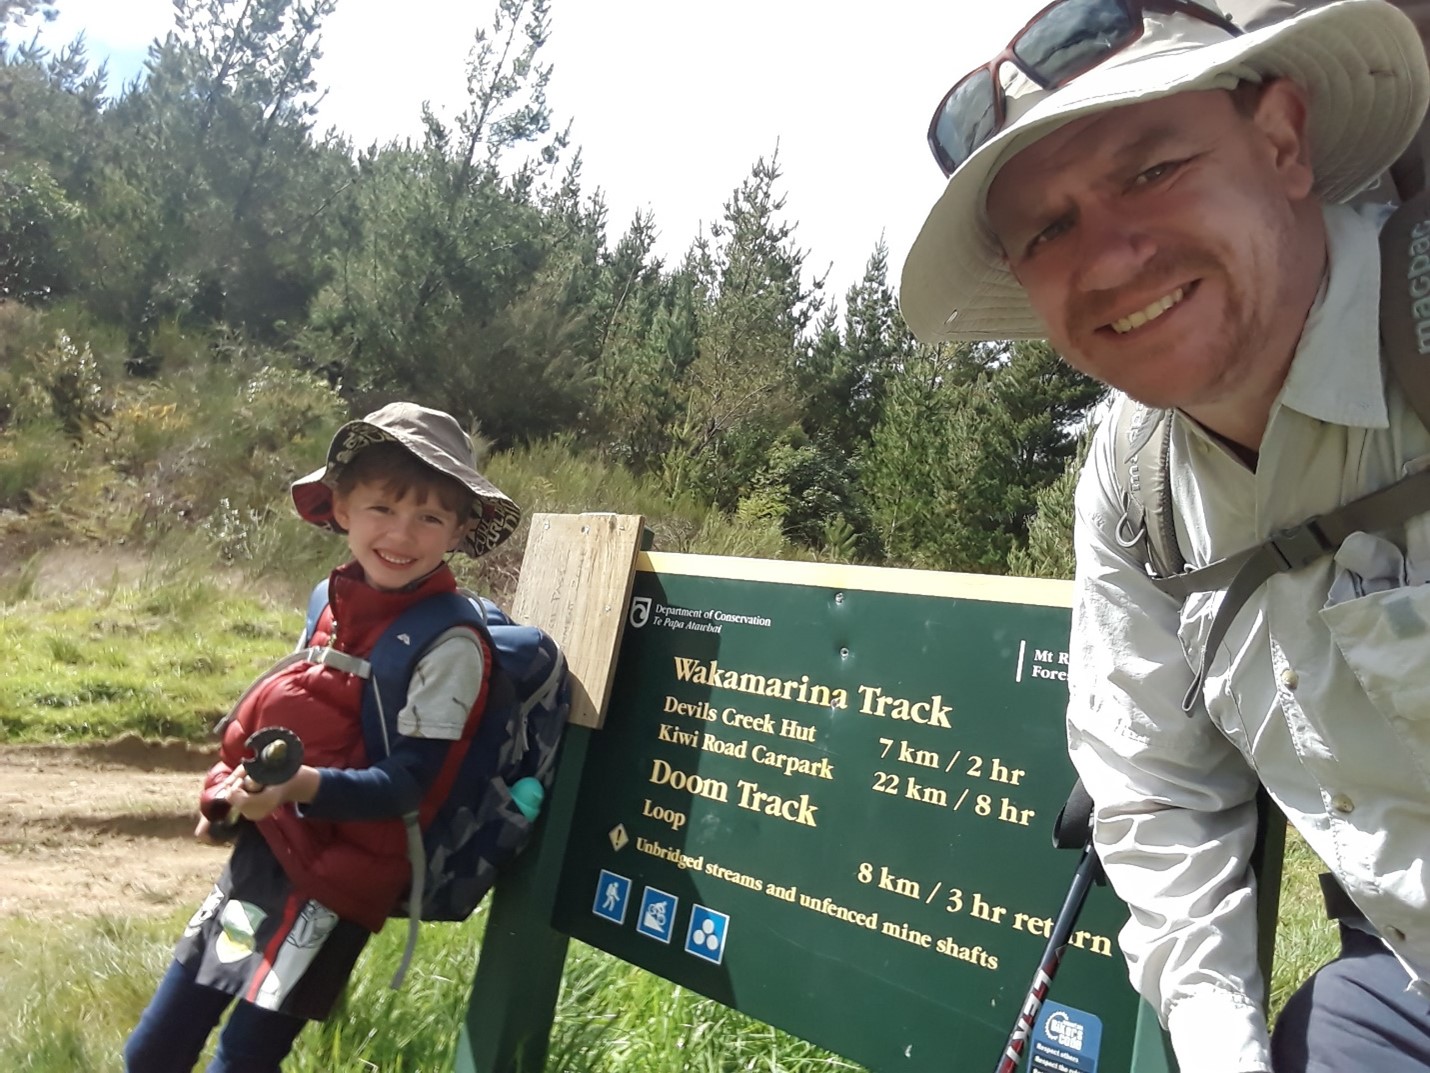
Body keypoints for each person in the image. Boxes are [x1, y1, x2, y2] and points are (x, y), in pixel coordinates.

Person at [899, 1, 1430, 1071]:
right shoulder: (1129, 481)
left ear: (1280, 142)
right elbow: (1155, 794)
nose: (1107, 259)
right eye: (1046, 231)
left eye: (1150, 171)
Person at [123, 401, 521, 1073]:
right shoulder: (328, 602)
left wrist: (296, 786)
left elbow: (408, 784)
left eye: (429, 516)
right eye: (382, 507)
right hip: (265, 858)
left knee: (244, 1058)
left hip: (336, 892)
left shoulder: (450, 642)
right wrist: (230, 790)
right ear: (340, 507)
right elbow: (298, 719)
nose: (402, 533)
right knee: (155, 1047)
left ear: (458, 529)